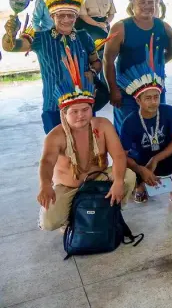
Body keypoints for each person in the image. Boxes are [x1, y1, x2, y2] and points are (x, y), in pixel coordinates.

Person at [36, 53, 136, 231]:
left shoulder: (103, 125)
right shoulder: (55, 135)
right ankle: (73, 215)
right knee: (49, 223)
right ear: (64, 114)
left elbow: (119, 155)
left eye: (85, 109)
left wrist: (118, 181)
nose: (80, 115)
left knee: (128, 176)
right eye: (74, 112)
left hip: (98, 179)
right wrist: (45, 184)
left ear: (92, 109)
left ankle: (107, 209)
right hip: (68, 187)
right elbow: (47, 161)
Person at [3, 0, 102, 133]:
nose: (66, 19)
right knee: (60, 154)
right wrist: (9, 34)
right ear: (51, 16)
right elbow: (11, 47)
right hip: (53, 106)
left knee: (87, 152)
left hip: (84, 105)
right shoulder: (41, 38)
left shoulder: (84, 37)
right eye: (60, 15)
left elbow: (96, 62)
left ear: (76, 17)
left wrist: (92, 72)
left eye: (70, 15)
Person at [118, 52, 172, 209]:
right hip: (140, 161)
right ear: (138, 100)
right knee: (126, 167)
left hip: (163, 157)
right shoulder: (129, 122)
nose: (153, 102)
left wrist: (156, 159)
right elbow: (121, 155)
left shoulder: (168, 111)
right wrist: (140, 169)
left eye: (156, 97)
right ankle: (140, 187)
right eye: (148, 98)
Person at [105, 0, 172, 130]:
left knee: (155, 128)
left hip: (156, 90)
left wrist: (153, 67)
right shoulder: (120, 28)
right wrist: (113, 90)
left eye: (151, 2)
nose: (147, 6)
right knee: (127, 130)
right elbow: (108, 60)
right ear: (132, 4)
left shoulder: (164, 27)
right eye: (142, 2)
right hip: (127, 92)